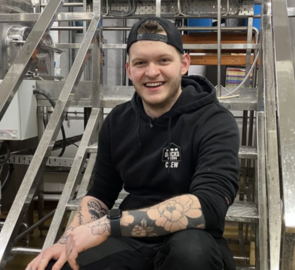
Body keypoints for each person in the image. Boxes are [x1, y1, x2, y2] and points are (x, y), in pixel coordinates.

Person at [27, 16, 240, 270]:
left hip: (196, 240)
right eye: (141, 63)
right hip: (132, 241)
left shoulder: (214, 120)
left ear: (184, 64)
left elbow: (208, 206)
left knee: (191, 254)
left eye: (163, 60)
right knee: (61, 265)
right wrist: (66, 241)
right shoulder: (118, 121)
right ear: (129, 70)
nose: (152, 72)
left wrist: (109, 224)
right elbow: (100, 195)